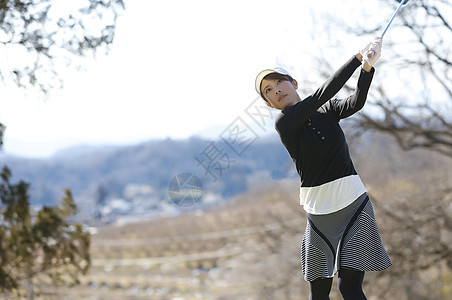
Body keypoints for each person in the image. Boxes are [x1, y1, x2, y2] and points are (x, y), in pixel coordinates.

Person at [255, 38, 392, 300]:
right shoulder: (285, 123)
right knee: (319, 293)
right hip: (320, 213)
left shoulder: (327, 111)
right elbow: (322, 94)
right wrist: (356, 58)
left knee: (349, 287)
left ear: (293, 83)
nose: (275, 91)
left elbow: (355, 103)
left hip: (354, 203)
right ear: (269, 104)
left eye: (278, 82)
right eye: (268, 91)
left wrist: (366, 68)